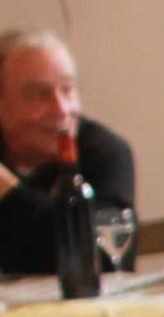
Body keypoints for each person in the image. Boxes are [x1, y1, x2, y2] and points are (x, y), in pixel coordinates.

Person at [0, 27, 134, 277]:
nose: (62, 109)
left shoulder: (104, 153)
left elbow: (101, 258)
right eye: (39, 95)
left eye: (68, 89)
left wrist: (7, 189)